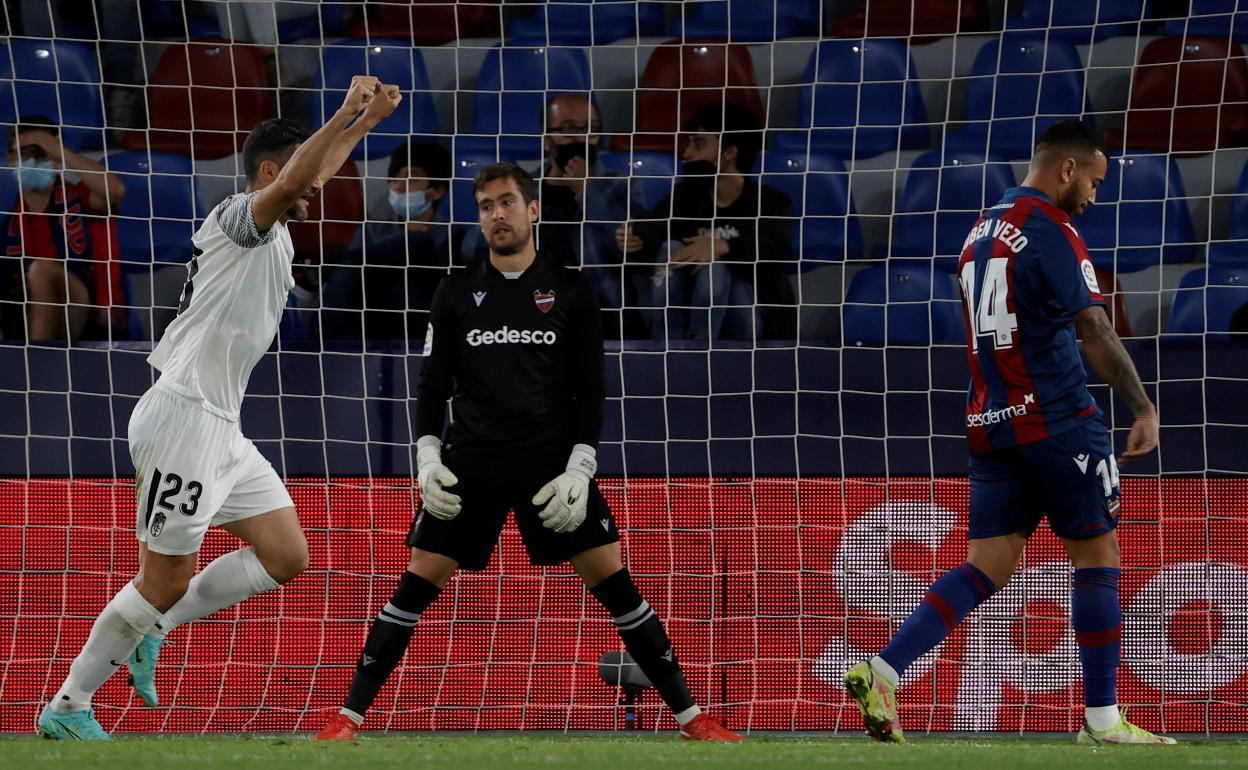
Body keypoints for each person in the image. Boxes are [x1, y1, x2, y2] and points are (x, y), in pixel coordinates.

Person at [314, 162, 742, 742]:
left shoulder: (571, 289)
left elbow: (591, 388)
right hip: (472, 462)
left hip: (551, 465)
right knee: (416, 583)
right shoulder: (455, 291)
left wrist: (582, 465)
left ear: (533, 208)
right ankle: (348, 718)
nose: (497, 214)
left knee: (615, 582)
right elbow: (434, 384)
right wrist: (427, 457)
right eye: (486, 205)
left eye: (507, 202)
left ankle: (693, 719)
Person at [35, 76, 402, 741]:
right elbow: (296, 181)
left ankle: (155, 629)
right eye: (303, 169)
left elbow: (308, 176)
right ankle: (69, 704)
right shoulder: (242, 217)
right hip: (181, 416)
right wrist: (345, 110)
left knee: (286, 554)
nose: (319, 183)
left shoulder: (280, 229)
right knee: (162, 577)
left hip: (220, 425)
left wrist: (366, 124)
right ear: (270, 170)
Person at [843, 120, 1174, 746]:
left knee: (986, 565)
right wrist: (1142, 406)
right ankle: (1103, 720)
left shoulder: (977, 233)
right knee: (1099, 558)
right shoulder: (1052, 228)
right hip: (1058, 420)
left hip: (990, 422)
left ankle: (882, 670)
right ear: (1068, 170)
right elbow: (1094, 330)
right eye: (1095, 183)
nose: (1095, 198)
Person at [617, 102, 795, 341]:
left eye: (698, 143)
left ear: (730, 153)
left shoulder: (771, 202)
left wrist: (722, 246)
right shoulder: (686, 196)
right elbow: (653, 229)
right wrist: (632, 237)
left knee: (720, 264)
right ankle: (667, 346)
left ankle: (706, 349)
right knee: (671, 248)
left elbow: (777, 252)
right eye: (689, 143)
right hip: (689, 312)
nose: (687, 153)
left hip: (750, 321)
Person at [0, 115, 126, 341]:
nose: (32, 161)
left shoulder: (79, 198)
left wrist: (61, 151)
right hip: (21, 313)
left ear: (56, 159)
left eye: (40, 153)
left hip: (81, 306)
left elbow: (114, 191)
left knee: (42, 271)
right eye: (24, 153)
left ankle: (37, 363)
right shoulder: (7, 221)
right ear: (11, 160)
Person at [320, 140, 456, 342]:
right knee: (349, 270)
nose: (399, 186)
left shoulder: (453, 237)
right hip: (370, 326)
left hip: (423, 329)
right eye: (394, 179)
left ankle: (324, 264)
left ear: (438, 190)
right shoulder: (372, 231)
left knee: (417, 243)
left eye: (411, 178)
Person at [538, 92, 643, 336]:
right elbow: (474, 250)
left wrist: (588, 192)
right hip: (535, 315)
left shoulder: (623, 186)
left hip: (604, 317)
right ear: (546, 139)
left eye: (590, 129)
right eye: (568, 129)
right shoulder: (522, 190)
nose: (581, 138)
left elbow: (629, 250)